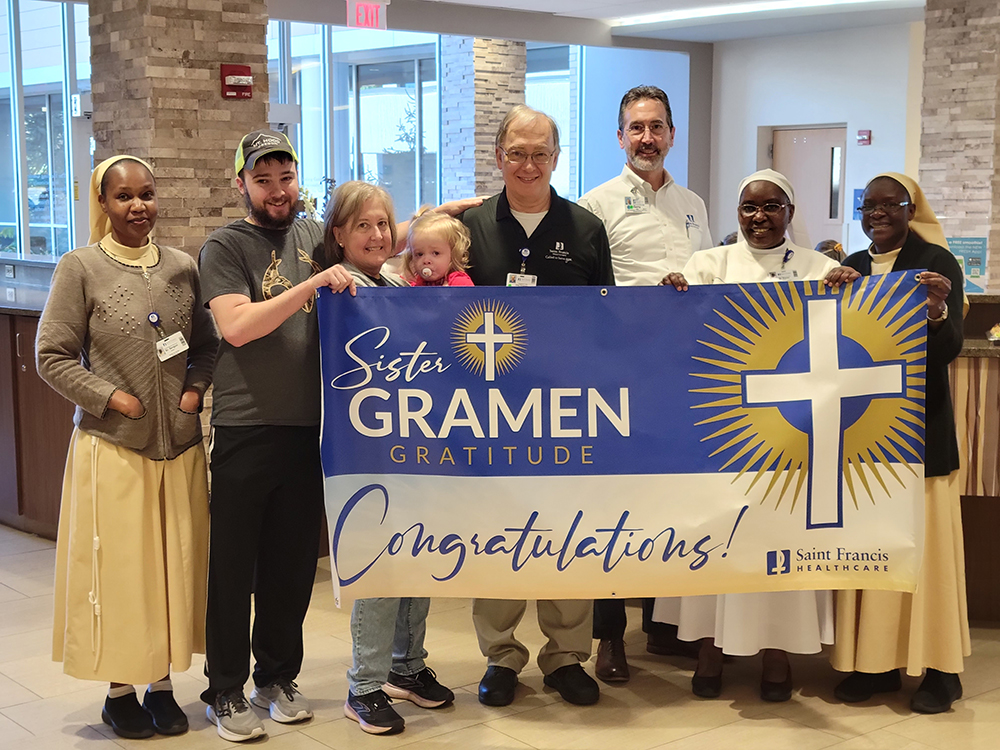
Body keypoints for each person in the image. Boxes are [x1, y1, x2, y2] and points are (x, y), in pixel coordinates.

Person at [37, 156, 218, 739]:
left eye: (146, 194)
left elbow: (207, 346)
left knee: (173, 569)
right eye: (123, 197)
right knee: (123, 573)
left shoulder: (183, 267)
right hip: (114, 449)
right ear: (103, 204)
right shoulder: (80, 268)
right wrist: (112, 398)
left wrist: (193, 391)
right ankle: (120, 691)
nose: (138, 206)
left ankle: (161, 685)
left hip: (181, 451)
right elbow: (52, 355)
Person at [197, 130, 358, 742]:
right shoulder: (225, 246)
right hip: (245, 426)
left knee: (292, 568)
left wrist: (446, 213)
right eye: (262, 179)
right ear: (241, 183)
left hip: (307, 430)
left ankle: (276, 679)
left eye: (285, 178)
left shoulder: (313, 238)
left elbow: (377, 241)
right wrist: (314, 285)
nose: (276, 190)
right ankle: (224, 691)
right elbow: (238, 327)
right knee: (235, 569)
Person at [658, 169, 839, 702]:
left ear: (790, 212)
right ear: (736, 214)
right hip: (721, 432)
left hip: (790, 437)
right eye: (748, 208)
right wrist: (671, 297)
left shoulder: (820, 268)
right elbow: (674, 336)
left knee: (778, 539)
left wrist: (853, 292)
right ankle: (711, 647)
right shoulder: (707, 265)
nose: (759, 218)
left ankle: (777, 653)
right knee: (719, 533)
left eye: (771, 207)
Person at [458, 104, 613, 708]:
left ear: (556, 158)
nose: (527, 164)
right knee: (498, 532)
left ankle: (566, 657)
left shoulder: (585, 229)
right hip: (491, 412)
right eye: (516, 152)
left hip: (569, 408)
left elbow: (608, 318)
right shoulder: (470, 227)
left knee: (569, 531)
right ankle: (501, 657)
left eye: (539, 153)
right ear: (499, 156)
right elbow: (428, 289)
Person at [577, 85, 713, 682]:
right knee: (613, 504)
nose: (647, 138)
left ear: (672, 134)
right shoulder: (595, 206)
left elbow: (708, 277)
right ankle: (609, 637)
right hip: (618, 373)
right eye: (636, 128)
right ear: (620, 136)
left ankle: (662, 624)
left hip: (678, 374)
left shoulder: (694, 204)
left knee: (668, 498)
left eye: (657, 127)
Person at [826, 172, 969, 714]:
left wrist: (934, 312)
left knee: (926, 555)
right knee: (873, 549)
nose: (878, 213)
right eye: (869, 205)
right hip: (865, 437)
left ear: (912, 209)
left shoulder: (937, 263)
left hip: (921, 436)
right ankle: (876, 664)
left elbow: (948, 348)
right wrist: (828, 295)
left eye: (891, 204)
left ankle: (939, 670)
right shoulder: (854, 268)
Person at [324, 181, 457, 735]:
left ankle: (407, 666)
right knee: (379, 563)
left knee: (417, 557)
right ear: (339, 236)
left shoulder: (392, 281)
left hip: (415, 445)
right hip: (369, 453)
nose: (377, 235)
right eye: (363, 226)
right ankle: (366, 684)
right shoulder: (344, 290)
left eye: (384, 224)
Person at [403, 209, 474, 287]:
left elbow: (470, 298)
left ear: (453, 254)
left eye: (436, 253)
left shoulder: (459, 283)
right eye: (419, 254)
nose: (426, 261)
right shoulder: (418, 284)